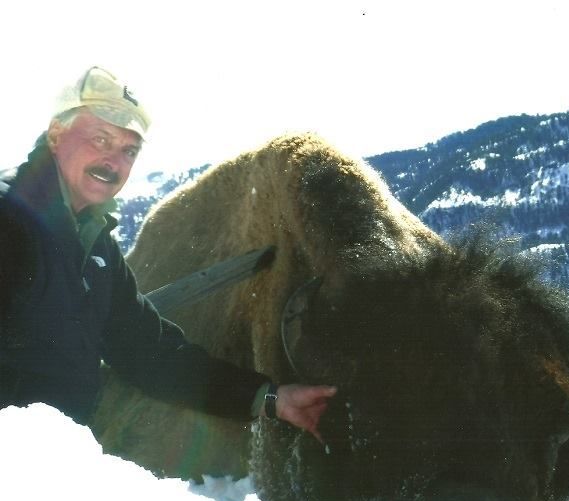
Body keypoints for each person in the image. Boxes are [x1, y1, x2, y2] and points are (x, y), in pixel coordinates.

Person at [0, 66, 336, 442]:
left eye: (128, 150)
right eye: (100, 139)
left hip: (53, 461)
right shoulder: (9, 219)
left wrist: (269, 398)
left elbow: (150, 352)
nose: (113, 161)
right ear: (55, 135)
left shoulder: (96, 244)